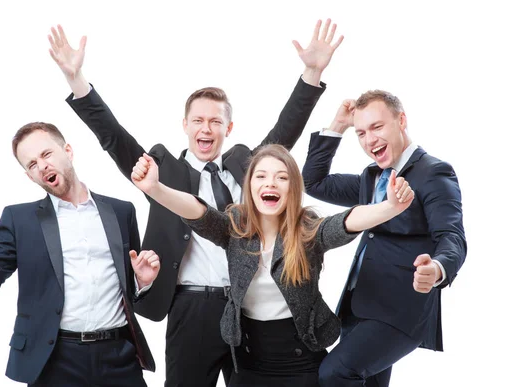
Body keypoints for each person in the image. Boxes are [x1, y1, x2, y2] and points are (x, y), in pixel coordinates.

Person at [48, 19, 343, 386]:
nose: (206, 129)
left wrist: (311, 72)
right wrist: (77, 81)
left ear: (228, 129)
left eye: (216, 122)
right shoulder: (160, 171)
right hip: (192, 310)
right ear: (185, 125)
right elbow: (114, 137)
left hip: (247, 309)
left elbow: (286, 130)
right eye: (198, 121)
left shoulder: (248, 168)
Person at [129, 143, 415, 386]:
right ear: (250, 185)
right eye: (261, 176)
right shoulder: (234, 227)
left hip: (302, 363)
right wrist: (155, 189)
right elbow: (198, 212)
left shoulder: (307, 229)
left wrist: (389, 208)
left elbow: (343, 223)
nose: (270, 184)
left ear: (292, 187)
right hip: (249, 363)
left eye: (281, 178)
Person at [0, 122, 159, 386]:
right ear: (30, 176)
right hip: (55, 361)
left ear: (68, 151)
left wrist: (142, 281)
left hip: (118, 356)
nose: (42, 166)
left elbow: (131, 293)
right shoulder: (19, 220)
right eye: (32, 164)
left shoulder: (121, 211)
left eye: (46, 154)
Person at [302, 91, 467, 386]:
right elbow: (313, 181)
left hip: (399, 311)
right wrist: (337, 126)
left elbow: (452, 237)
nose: (369, 140)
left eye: (377, 127)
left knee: (333, 373)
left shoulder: (434, 173)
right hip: (360, 304)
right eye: (362, 133)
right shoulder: (371, 177)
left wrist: (438, 269)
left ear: (401, 121)